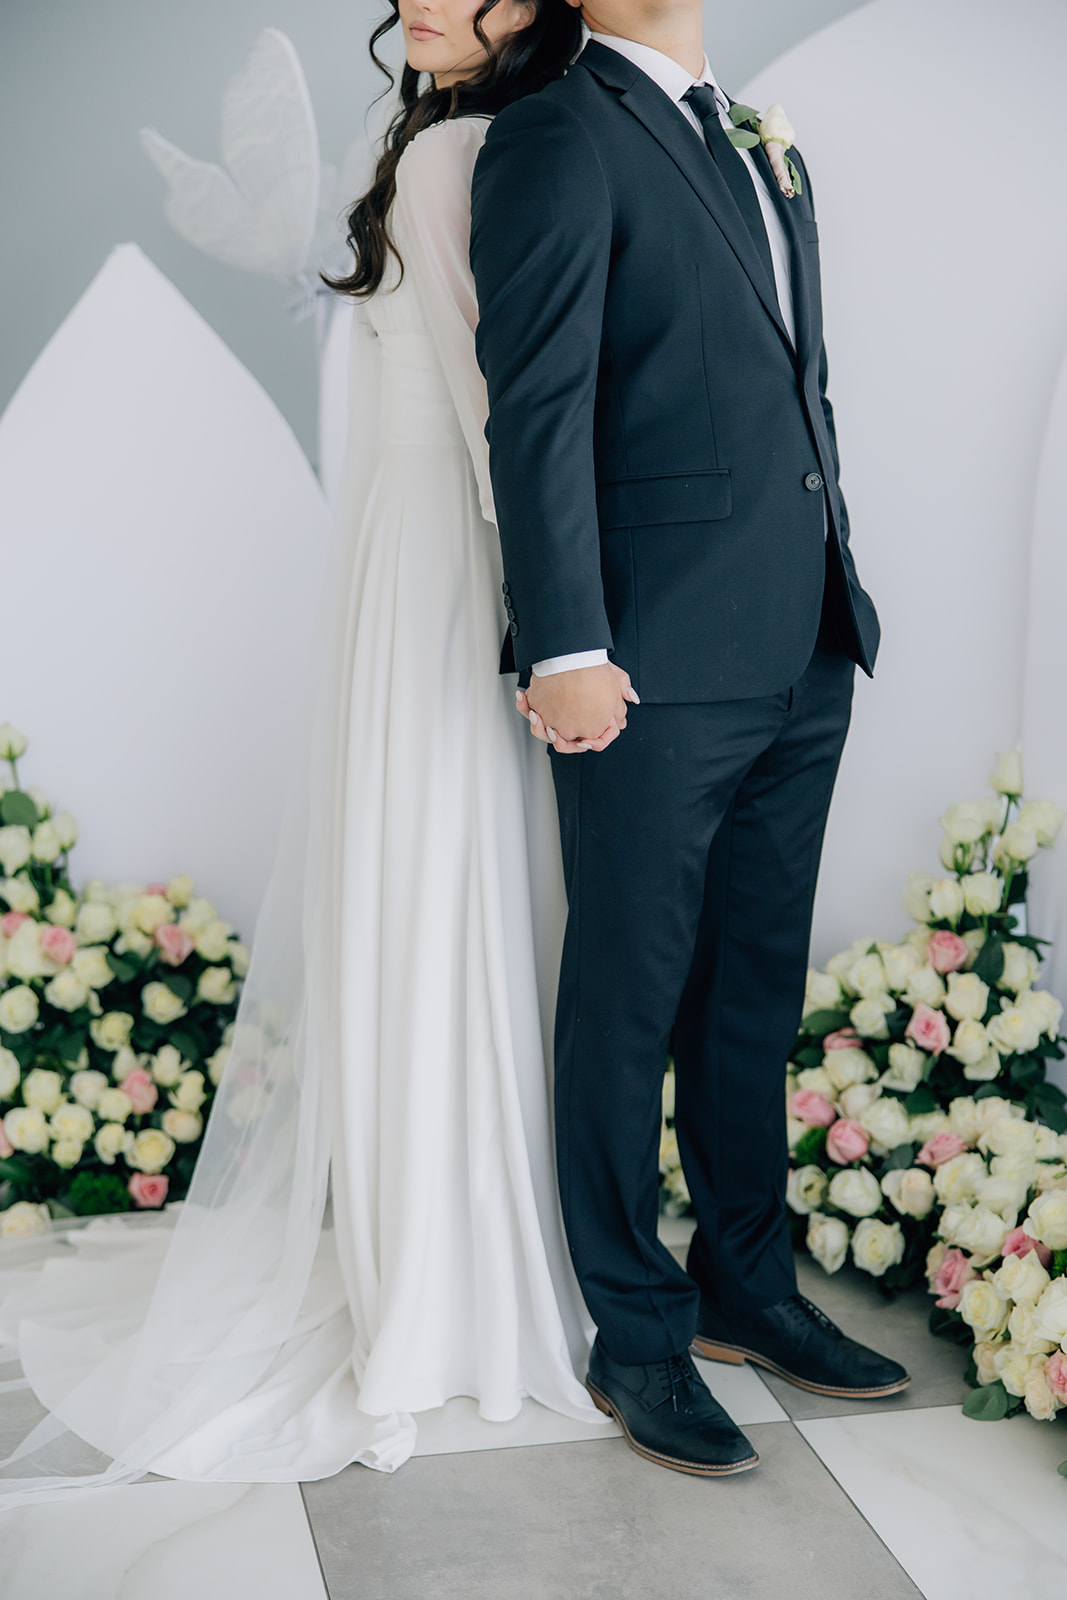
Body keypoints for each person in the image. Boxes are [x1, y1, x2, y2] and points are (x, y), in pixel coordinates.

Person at [0, 0, 607, 1506]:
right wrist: (554, 616)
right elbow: (495, 404)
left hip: (416, 546)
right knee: (446, 885)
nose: (422, 0)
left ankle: (431, 1258)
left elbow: (490, 401)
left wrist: (538, 606)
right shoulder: (448, 145)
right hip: (435, 549)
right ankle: (451, 1271)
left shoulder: (446, 146)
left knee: (428, 884)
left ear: (531, 12)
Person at [470, 0, 911, 1478]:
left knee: (750, 992)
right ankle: (637, 1331)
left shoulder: (762, 143)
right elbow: (535, 410)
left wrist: (835, 584)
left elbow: (798, 386)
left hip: (805, 638)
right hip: (647, 662)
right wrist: (565, 645)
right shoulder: (553, 137)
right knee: (628, 994)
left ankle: (746, 1286)